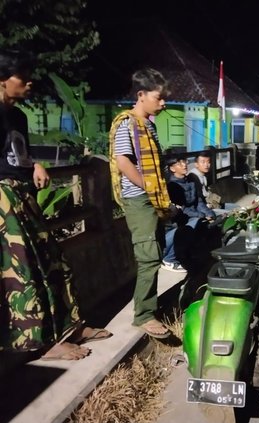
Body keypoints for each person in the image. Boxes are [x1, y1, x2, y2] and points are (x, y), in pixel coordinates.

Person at [0, 48, 111, 361]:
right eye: (22, 76)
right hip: (4, 203)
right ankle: (44, 344)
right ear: (3, 80)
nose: (30, 82)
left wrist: (34, 164)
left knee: (54, 260)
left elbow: (17, 156)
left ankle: (72, 327)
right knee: (25, 273)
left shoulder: (17, 115)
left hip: (22, 197)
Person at [109, 67, 172, 339]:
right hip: (139, 199)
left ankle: (149, 308)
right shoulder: (127, 123)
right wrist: (147, 186)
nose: (163, 103)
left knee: (155, 253)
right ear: (141, 95)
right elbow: (123, 161)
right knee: (149, 257)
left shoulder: (149, 125)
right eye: (159, 98)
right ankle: (143, 315)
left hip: (152, 198)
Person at [162, 155, 215, 272]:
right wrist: (201, 216)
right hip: (178, 222)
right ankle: (170, 259)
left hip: (190, 216)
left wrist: (209, 213)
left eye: (184, 162)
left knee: (212, 218)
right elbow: (183, 209)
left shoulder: (190, 181)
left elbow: (199, 202)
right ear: (172, 169)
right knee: (196, 223)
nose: (184, 165)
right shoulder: (172, 186)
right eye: (179, 164)